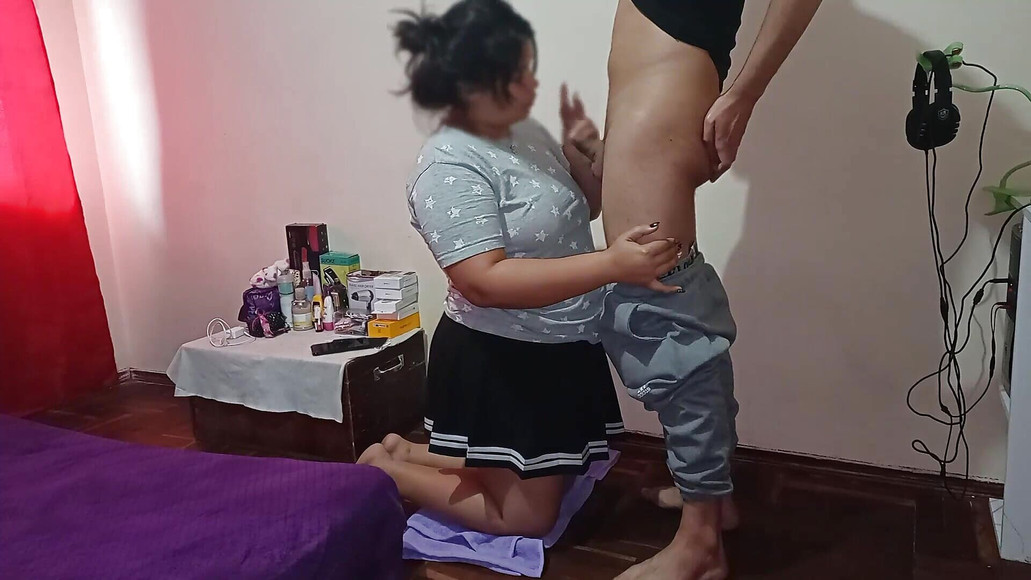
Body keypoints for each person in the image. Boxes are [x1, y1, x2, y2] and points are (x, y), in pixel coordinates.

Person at [357, 0, 682, 538]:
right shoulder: (449, 163)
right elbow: (483, 282)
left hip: (558, 341)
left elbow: (581, 208)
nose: (530, 84)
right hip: (501, 354)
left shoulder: (525, 133)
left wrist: (590, 153)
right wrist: (609, 265)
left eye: (528, 68)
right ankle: (385, 469)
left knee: (543, 472)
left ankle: (410, 452)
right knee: (528, 517)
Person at [566, 1, 823, 578]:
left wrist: (744, 95)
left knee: (661, 314)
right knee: (668, 303)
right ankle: (711, 496)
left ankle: (701, 540)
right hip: (645, 104)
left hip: (660, 104)